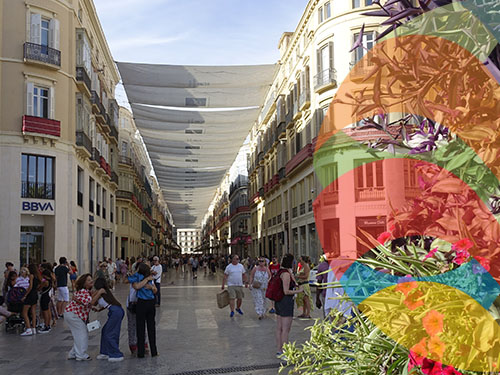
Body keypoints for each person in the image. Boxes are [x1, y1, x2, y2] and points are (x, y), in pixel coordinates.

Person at [64, 274, 105, 361]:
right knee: (82, 334)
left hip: (73, 314)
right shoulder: (83, 291)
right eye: (88, 280)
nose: (91, 281)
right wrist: (100, 292)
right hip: (74, 315)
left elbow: (87, 302)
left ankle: (73, 353)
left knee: (78, 334)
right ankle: (81, 355)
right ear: (84, 283)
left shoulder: (85, 292)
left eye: (91, 279)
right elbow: (90, 302)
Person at [275, 254, 303, 357]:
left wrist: (291, 274)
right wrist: (299, 291)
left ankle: (279, 349)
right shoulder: (286, 274)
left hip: (279, 302)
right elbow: (286, 291)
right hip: (285, 302)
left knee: (279, 328)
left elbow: (294, 283)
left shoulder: (281, 272)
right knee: (285, 329)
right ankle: (285, 351)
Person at [128, 263, 158, 358]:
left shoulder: (147, 278)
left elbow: (155, 290)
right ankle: (148, 351)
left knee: (144, 328)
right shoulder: (145, 277)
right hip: (143, 303)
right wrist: (146, 280)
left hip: (146, 303)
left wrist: (151, 287)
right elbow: (136, 286)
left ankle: (146, 351)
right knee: (147, 327)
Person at [93, 278, 125, 362]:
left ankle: (116, 354)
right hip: (114, 311)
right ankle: (105, 352)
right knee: (105, 331)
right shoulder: (102, 292)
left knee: (110, 333)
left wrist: (98, 292)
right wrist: (99, 310)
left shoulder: (102, 291)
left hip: (116, 312)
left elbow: (92, 302)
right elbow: (107, 303)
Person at [20, 264, 42, 335]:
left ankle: (28, 328)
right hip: (35, 294)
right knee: (33, 312)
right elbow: (39, 284)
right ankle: (34, 328)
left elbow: (30, 286)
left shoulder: (31, 276)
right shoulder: (37, 276)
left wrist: (25, 295)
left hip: (30, 295)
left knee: (24, 312)